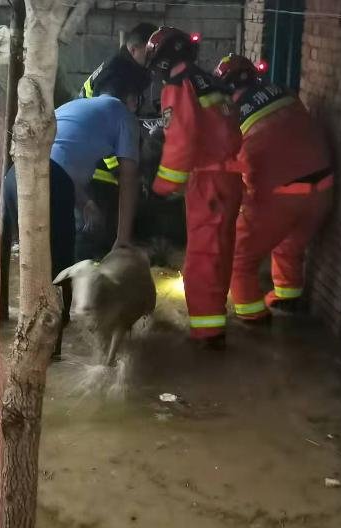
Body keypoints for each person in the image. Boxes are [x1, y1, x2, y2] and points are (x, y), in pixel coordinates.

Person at [3, 56, 149, 352]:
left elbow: (62, 155)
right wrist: (122, 238)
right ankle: (52, 358)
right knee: (59, 273)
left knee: (25, 261)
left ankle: (8, 330)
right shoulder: (124, 116)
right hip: (50, 182)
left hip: (14, 176)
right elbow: (129, 180)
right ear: (132, 98)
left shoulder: (75, 105)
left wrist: (85, 204)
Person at [213, 53, 333, 323]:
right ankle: (287, 295)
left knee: (238, 258)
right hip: (323, 192)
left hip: (279, 198)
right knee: (290, 242)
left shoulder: (231, 113)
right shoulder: (286, 93)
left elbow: (230, 168)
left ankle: (252, 316)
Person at [146, 27, 243, 350]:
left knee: (202, 258)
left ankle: (206, 335)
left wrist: (161, 187)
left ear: (162, 59)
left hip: (209, 182)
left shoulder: (179, 85)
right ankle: (213, 325)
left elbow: (181, 140)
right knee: (220, 253)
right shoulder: (211, 81)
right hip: (230, 178)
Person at [75, 22, 158, 261]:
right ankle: (83, 285)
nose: (154, 57)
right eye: (149, 51)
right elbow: (108, 122)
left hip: (93, 160)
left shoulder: (124, 69)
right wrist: (120, 169)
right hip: (96, 167)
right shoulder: (119, 75)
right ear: (134, 49)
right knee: (95, 233)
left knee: (102, 231)